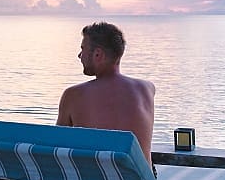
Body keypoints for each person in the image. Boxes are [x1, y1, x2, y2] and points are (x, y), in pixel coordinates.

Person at [56, 22, 156, 169]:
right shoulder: (148, 88)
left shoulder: (73, 95)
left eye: (83, 49)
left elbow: (57, 146)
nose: (79, 55)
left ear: (98, 54)